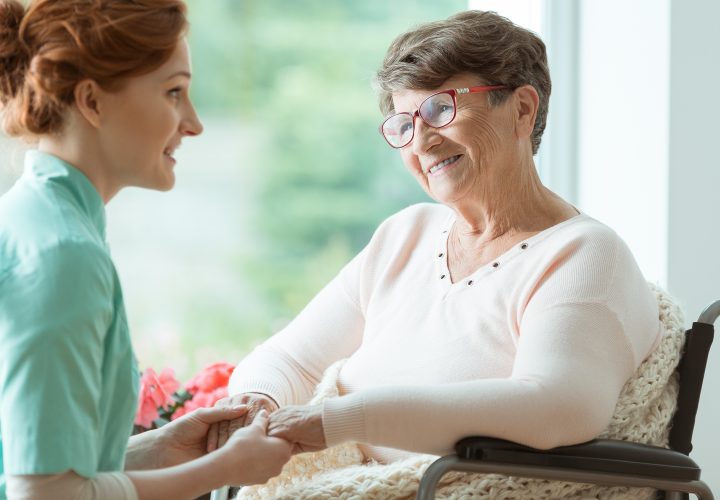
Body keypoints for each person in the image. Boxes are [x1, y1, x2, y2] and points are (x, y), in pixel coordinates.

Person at [211, 10, 661, 465]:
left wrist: (341, 420)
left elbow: (556, 407)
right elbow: (291, 360)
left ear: (522, 109)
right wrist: (255, 403)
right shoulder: (405, 235)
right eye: (404, 124)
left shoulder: (581, 254)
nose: (421, 142)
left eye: (440, 109)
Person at [0, 1, 291, 499]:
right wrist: (223, 469)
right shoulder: (63, 253)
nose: (194, 123)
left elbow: (41, 465)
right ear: (92, 101)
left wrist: (162, 447)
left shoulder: (38, 220)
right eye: (173, 92)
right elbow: (46, 494)